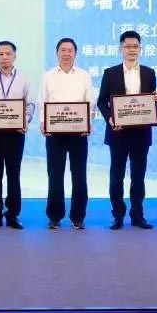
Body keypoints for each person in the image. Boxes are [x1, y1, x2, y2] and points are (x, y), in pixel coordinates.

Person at [97, 30, 157, 229]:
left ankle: (138, 215)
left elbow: (149, 104)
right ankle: (118, 215)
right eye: (128, 46)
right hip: (118, 133)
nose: (132, 50)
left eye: (135, 46)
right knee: (117, 177)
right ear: (120, 49)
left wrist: (155, 100)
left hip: (141, 133)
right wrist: (110, 118)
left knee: (138, 177)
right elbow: (101, 102)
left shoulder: (149, 73)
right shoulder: (110, 73)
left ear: (140, 48)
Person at [0, 40, 35, 230]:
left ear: (14, 56)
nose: (4, 57)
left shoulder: (24, 78)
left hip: (15, 133)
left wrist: (25, 121)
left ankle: (12, 215)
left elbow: (30, 104)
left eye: (8, 54)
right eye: (0, 54)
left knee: (13, 174)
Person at [39, 37, 95, 230]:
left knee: (79, 176)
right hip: (54, 133)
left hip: (78, 133)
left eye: (70, 50)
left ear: (75, 53)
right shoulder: (48, 76)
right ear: (57, 53)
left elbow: (90, 103)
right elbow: (42, 102)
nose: (66, 54)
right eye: (63, 50)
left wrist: (87, 123)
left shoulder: (84, 76)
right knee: (55, 175)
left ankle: (78, 217)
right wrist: (43, 124)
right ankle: (54, 216)